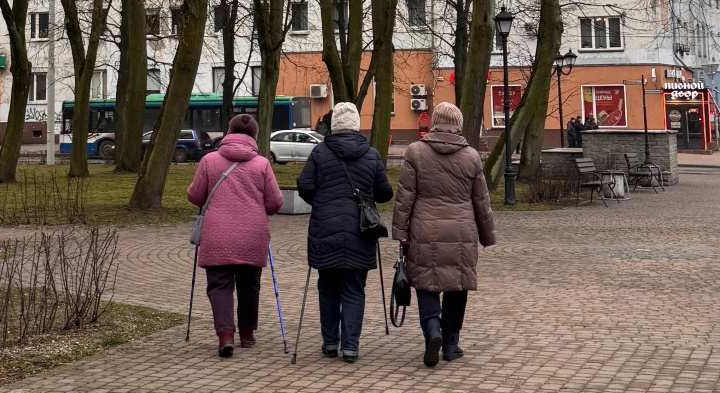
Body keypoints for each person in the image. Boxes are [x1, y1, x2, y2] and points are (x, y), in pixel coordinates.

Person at [392, 102, 496, 368]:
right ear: (458, 125)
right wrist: (487, 235)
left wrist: (400, 232)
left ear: (434, 122)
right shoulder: (471, 156)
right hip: (462, 228)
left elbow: (405, 197)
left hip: (424, 227)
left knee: (426, 280)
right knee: (457, 283)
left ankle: (432, 330)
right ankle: (451, 343)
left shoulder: (415, 152)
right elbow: (480, 200)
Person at [297, 102, 394, 363]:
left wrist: (321, 202)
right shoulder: (371, 154)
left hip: (324, 228)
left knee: (327, 287)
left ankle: (330, 343)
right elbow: (385, 193)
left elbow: (304, 185)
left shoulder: (319, 152)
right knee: (354, 288)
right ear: (356, 125)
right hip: (360, 231)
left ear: (333, 127)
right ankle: (350, 347)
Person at [187, 114, 284, 357]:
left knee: (219, 285)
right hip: (252, 233)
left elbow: (196, 197)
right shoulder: (262, 164)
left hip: (217, 234)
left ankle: (225, 336)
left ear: (228, 133)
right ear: (254, 136)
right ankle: (247, 334)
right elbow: (274, 203)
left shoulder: (209, 160)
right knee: (250, 284)